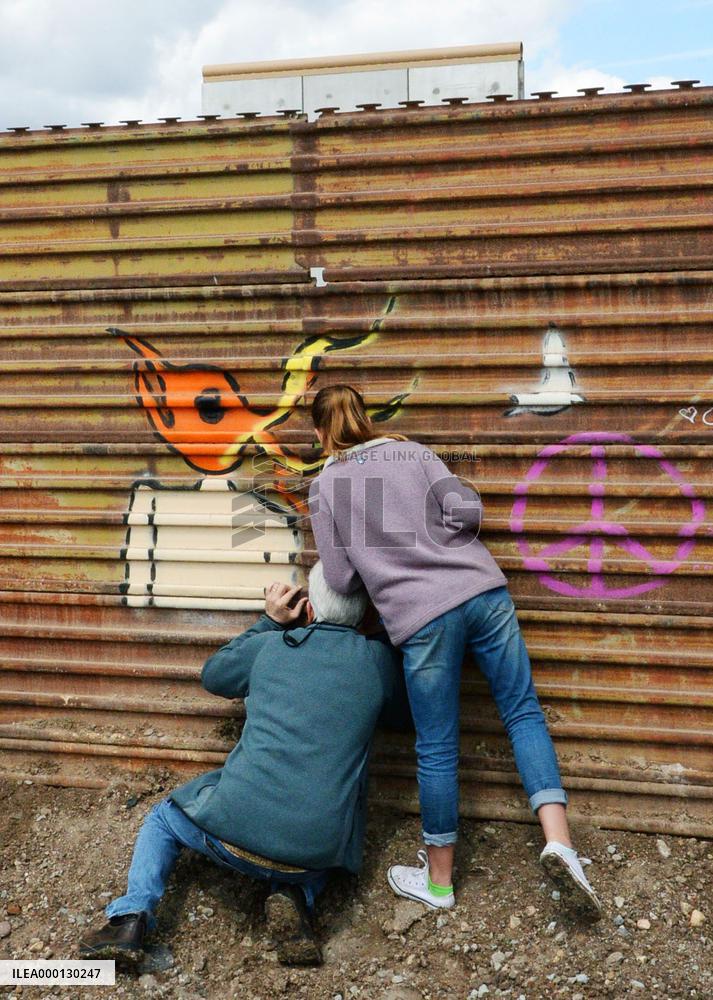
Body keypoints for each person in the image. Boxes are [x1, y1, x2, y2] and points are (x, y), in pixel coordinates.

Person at [308, 383, 601, 920]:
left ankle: (439, 883)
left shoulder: (326, 485)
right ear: (365, 417)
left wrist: (383, 554)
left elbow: (341, 579)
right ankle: (561, 844)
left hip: (421, 617)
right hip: (482, 592)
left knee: (438, 747)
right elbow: (468, 513)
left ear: (320, 431)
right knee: (522, 712)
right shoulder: (413, 452)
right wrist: (434, 531)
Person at [79, 564, 408, 966]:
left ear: (308, 608)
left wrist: (269, 621)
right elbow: (403, 717)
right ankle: (294, 894)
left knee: (162, 820)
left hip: (229, 833)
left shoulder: (271, 645)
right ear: (366, 613)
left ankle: (129, 919)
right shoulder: (377, 663)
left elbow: (214, 675)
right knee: (320, 839)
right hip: (314, 852)